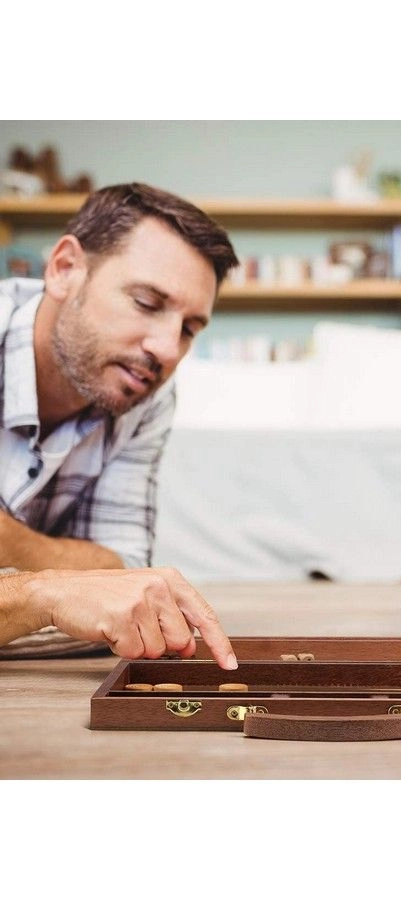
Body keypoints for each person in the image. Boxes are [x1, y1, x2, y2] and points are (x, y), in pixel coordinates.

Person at [0, 182, 240, 667]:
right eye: (147, 303)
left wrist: (19, 560)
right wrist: (47, 592)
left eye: (189, 328)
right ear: (65, 269)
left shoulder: (144, 391)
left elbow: (124, 573)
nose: (168, 350)